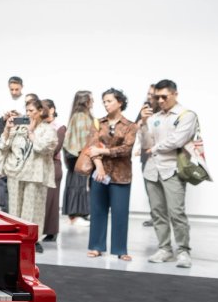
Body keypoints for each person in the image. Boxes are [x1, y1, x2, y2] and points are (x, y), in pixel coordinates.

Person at [139, 79, 198, 268]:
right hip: (151, 170)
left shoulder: (186, 115)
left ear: (175, 94)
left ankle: (183, 251)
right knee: (157, 213)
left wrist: (155, 147)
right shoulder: (154, 117)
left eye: (165, 96)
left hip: (172, 169)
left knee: (177, 213)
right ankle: (164, 249)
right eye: (158, 97)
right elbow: (145, 144)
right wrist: (142, 123)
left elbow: (177, 140)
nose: (161, 100)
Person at [0, 98, 57, 252]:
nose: (28, 113)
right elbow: (4, 145)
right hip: (16, 173)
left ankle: (32, 240)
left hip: (35, 174)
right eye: (27, 110)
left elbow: (42, 147)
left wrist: (31, 132)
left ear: (40, 112)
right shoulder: (19, 127)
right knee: (15, 208)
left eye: (31, 111)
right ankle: (16, 238)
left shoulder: (48, 129)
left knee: (34, 209)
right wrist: (7, 129)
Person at [86, 88, 137, 260]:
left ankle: (120, 250)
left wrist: (105, 151)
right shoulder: (97, 123)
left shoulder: (131, 125)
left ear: (120, 102)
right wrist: (99, 167)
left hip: (122, 176)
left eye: (109, 101)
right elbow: (92, 147)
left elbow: (126, 149)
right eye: (104, 102)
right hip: (99, 174)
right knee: (98, 211)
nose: (106, 104)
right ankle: (96, 246)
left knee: (120, 213)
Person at [0, 76, 26, 212]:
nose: (14, 92)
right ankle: (4, 211)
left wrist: (20, 117)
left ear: (22, 87)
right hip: (4, 144)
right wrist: (5, 117)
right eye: (12, 89)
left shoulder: (26, 102)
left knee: (16, 182)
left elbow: (31, 123)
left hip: (18, 147)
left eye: (17, 89)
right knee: (2, 181)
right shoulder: (2, 102)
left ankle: (16, 212)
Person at [62, 90, 96, 225]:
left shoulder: (78, 115)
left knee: (77, 183)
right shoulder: (81, 116)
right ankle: (78, 214)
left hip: (75, 156)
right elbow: (84, 139)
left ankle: (76, 214)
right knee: (79, 184)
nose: (93, 102)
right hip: (80, 156)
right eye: (91, 99)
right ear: (85, 101)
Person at [40, 99, 65, 242]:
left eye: (44, 109)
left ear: (52, 109)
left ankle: (51, 232)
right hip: (39, 166)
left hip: (53, 166)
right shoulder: (39, 126)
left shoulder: (59, 127)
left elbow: (55, 148)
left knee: (51, 200)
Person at [135, 84, 157, 228]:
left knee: (163, 189)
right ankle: (155, 217)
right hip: (146, 154)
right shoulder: (145, 108)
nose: (149, 96)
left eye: (152, 94)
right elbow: (136, 127)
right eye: (148, 93)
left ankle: (165, 218)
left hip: (161, 154)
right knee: (150, 188)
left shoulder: (166, 111)